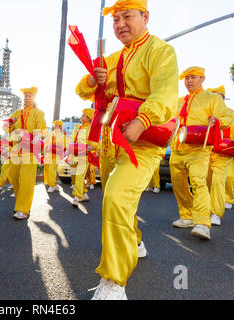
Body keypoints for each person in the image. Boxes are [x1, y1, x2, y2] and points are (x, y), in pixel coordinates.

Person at [75, 0, 179, 299]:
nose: (120, 23)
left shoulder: (161, 51)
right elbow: (82, 91)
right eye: (115, 19)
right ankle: (134, 242)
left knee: (116, 196)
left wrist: (143, 119)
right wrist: (93, 79)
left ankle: (114, 281)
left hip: (143, 141)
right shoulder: (113, 58)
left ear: (145, 17)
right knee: (117, 201)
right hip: (111, 139)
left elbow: (165, 93)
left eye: (127, 17)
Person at [171, 67, 234, 239]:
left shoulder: (212, 98)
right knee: (178, 183)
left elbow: (227, 118)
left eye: (193, 77)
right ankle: (186, 216)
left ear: (202, 79)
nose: (189, 81)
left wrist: (218, 120)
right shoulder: (178, 101)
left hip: (199, 149)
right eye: (186, 78)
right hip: (178, 148)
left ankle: (202, 223)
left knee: (199, 182)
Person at [205, 86, 234, 226]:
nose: (216, 99)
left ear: (223, 98)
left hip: (223, 154)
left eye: (219, 97)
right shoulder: (204, 112)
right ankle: (203, 211)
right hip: (205, 153)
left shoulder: (230, 114)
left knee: (218, 181)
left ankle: (216, 213)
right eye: (213, 97)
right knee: (206, 182)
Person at [5, 87, 47, 220]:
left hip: (30, 150)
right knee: (15, 178)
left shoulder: (38, 113)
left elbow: (42, 130)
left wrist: (33, 139)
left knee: (26, 180)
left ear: (34, 98)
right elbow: (7, 128)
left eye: (29, 96)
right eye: (25, 96)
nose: (27, 98)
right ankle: (20, 204)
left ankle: (23, 209)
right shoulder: (17, 113)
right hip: (16, 149)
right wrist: (11, 124)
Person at [67, 108, 99, 206]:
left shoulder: (92, 129)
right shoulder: (77, 127)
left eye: (84, 115)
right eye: (82, 114)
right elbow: (71, 140)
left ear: (89, 118)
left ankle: (76, 197)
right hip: (75, 154)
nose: (82, 116)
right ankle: (84, 194)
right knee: (76, 175)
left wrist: (92, 146)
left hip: (84, 155)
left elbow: (95, 142)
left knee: (79, 175)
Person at [43, 120, 66, 193]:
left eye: (56, 125)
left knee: (52, 170)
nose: (55, 126)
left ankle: (52, 185)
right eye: (54, 125)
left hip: (56, 155)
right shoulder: (51, 133)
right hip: (48, 154)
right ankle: (54, 184)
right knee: (47, 168)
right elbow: (45, 142)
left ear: (59, 126)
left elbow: (64, 145)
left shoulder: (62, 135)